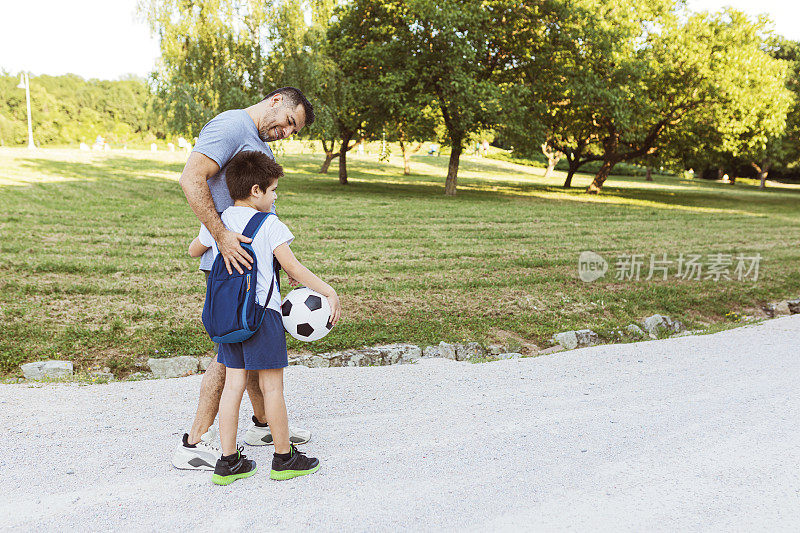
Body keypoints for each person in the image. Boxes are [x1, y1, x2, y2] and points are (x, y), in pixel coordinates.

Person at [172, 87, 316, 471]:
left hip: (254, 265)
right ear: (275, 100)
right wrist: (220, 236)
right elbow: (191, 179)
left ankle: (262, 424)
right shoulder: (233, 125)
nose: (286, 132)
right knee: (228, 356)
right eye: (288, 121)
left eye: (293, 131)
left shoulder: (257, 143)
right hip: (232, 267)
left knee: (250, 346)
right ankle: (193, 443)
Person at [188, 150, 340, 484]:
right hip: (263, 317)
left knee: (234, 384)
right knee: (272, 388)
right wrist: (329, 291)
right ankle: (284, 459)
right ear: (256, 190)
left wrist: (215, 235)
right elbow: (293, 267)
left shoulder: (218, 220)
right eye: (272, 190)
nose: (274, 197)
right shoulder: (270, 224)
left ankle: (228, 462)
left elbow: (193, 251)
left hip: (228, 319)